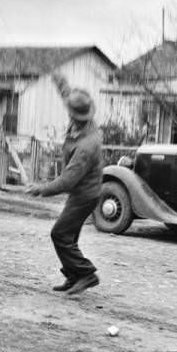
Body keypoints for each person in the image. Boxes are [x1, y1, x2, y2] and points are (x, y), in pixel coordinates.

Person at [26, 73, 103, 295]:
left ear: (76, 117)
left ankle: (87, 274)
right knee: (69, 236)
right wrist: (59, 81)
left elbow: (68, 180)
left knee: (59, 234)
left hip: (85, 195)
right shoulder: (83, 121)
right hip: (85, 192)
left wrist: (41, 189)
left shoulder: (87, 146)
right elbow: (69, 95)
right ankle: (73, 275)